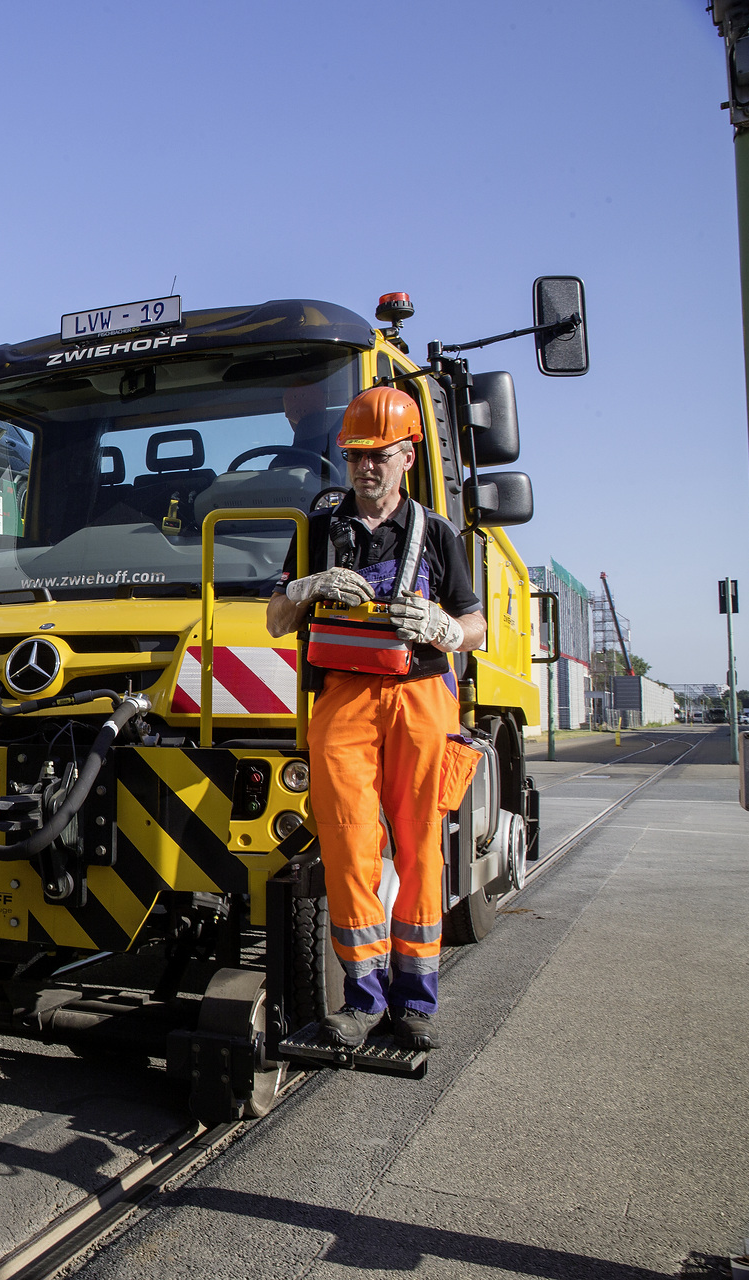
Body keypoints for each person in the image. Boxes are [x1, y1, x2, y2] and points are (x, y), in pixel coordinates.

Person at [265, 385, 485, 1051]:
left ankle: (414, 1002)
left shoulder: (438, 535)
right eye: (356, 454)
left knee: (419, 848)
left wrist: (444, 626)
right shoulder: (316, 532)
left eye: (380, 455)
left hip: (420, 699)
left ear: (408, 456)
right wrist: (304, 588)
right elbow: (276, 620)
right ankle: (362, 1001)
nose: (366, 467)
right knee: (349, 846)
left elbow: (478, 625)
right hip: (343, 701)